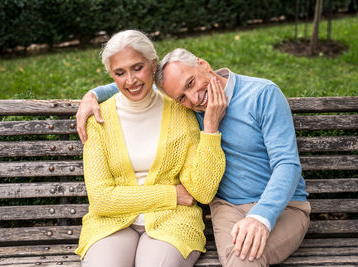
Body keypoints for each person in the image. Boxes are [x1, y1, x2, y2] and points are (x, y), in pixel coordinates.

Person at [77, 48, 311, 267]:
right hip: (227, 207)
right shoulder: (188, 109)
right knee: (241, 255)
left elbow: (287, 165)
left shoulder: (262, 94)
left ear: (204, 64)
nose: (195, 98)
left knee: (245, 258)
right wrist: (93, 94)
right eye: (182, 97)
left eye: (192, 82)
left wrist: (261, 217)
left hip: (284, 207)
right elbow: (137, 84)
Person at [75, 31, 227, 267]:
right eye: (120, 73)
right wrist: (171, 194)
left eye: (137, 68)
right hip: (110, 222)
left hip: (173, 222)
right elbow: (101, 200)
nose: (130, 80)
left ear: (153, 65)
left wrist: (210, 129)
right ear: (111, 75)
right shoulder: (98, 120)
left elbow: (203, 192)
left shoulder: (180, 111)